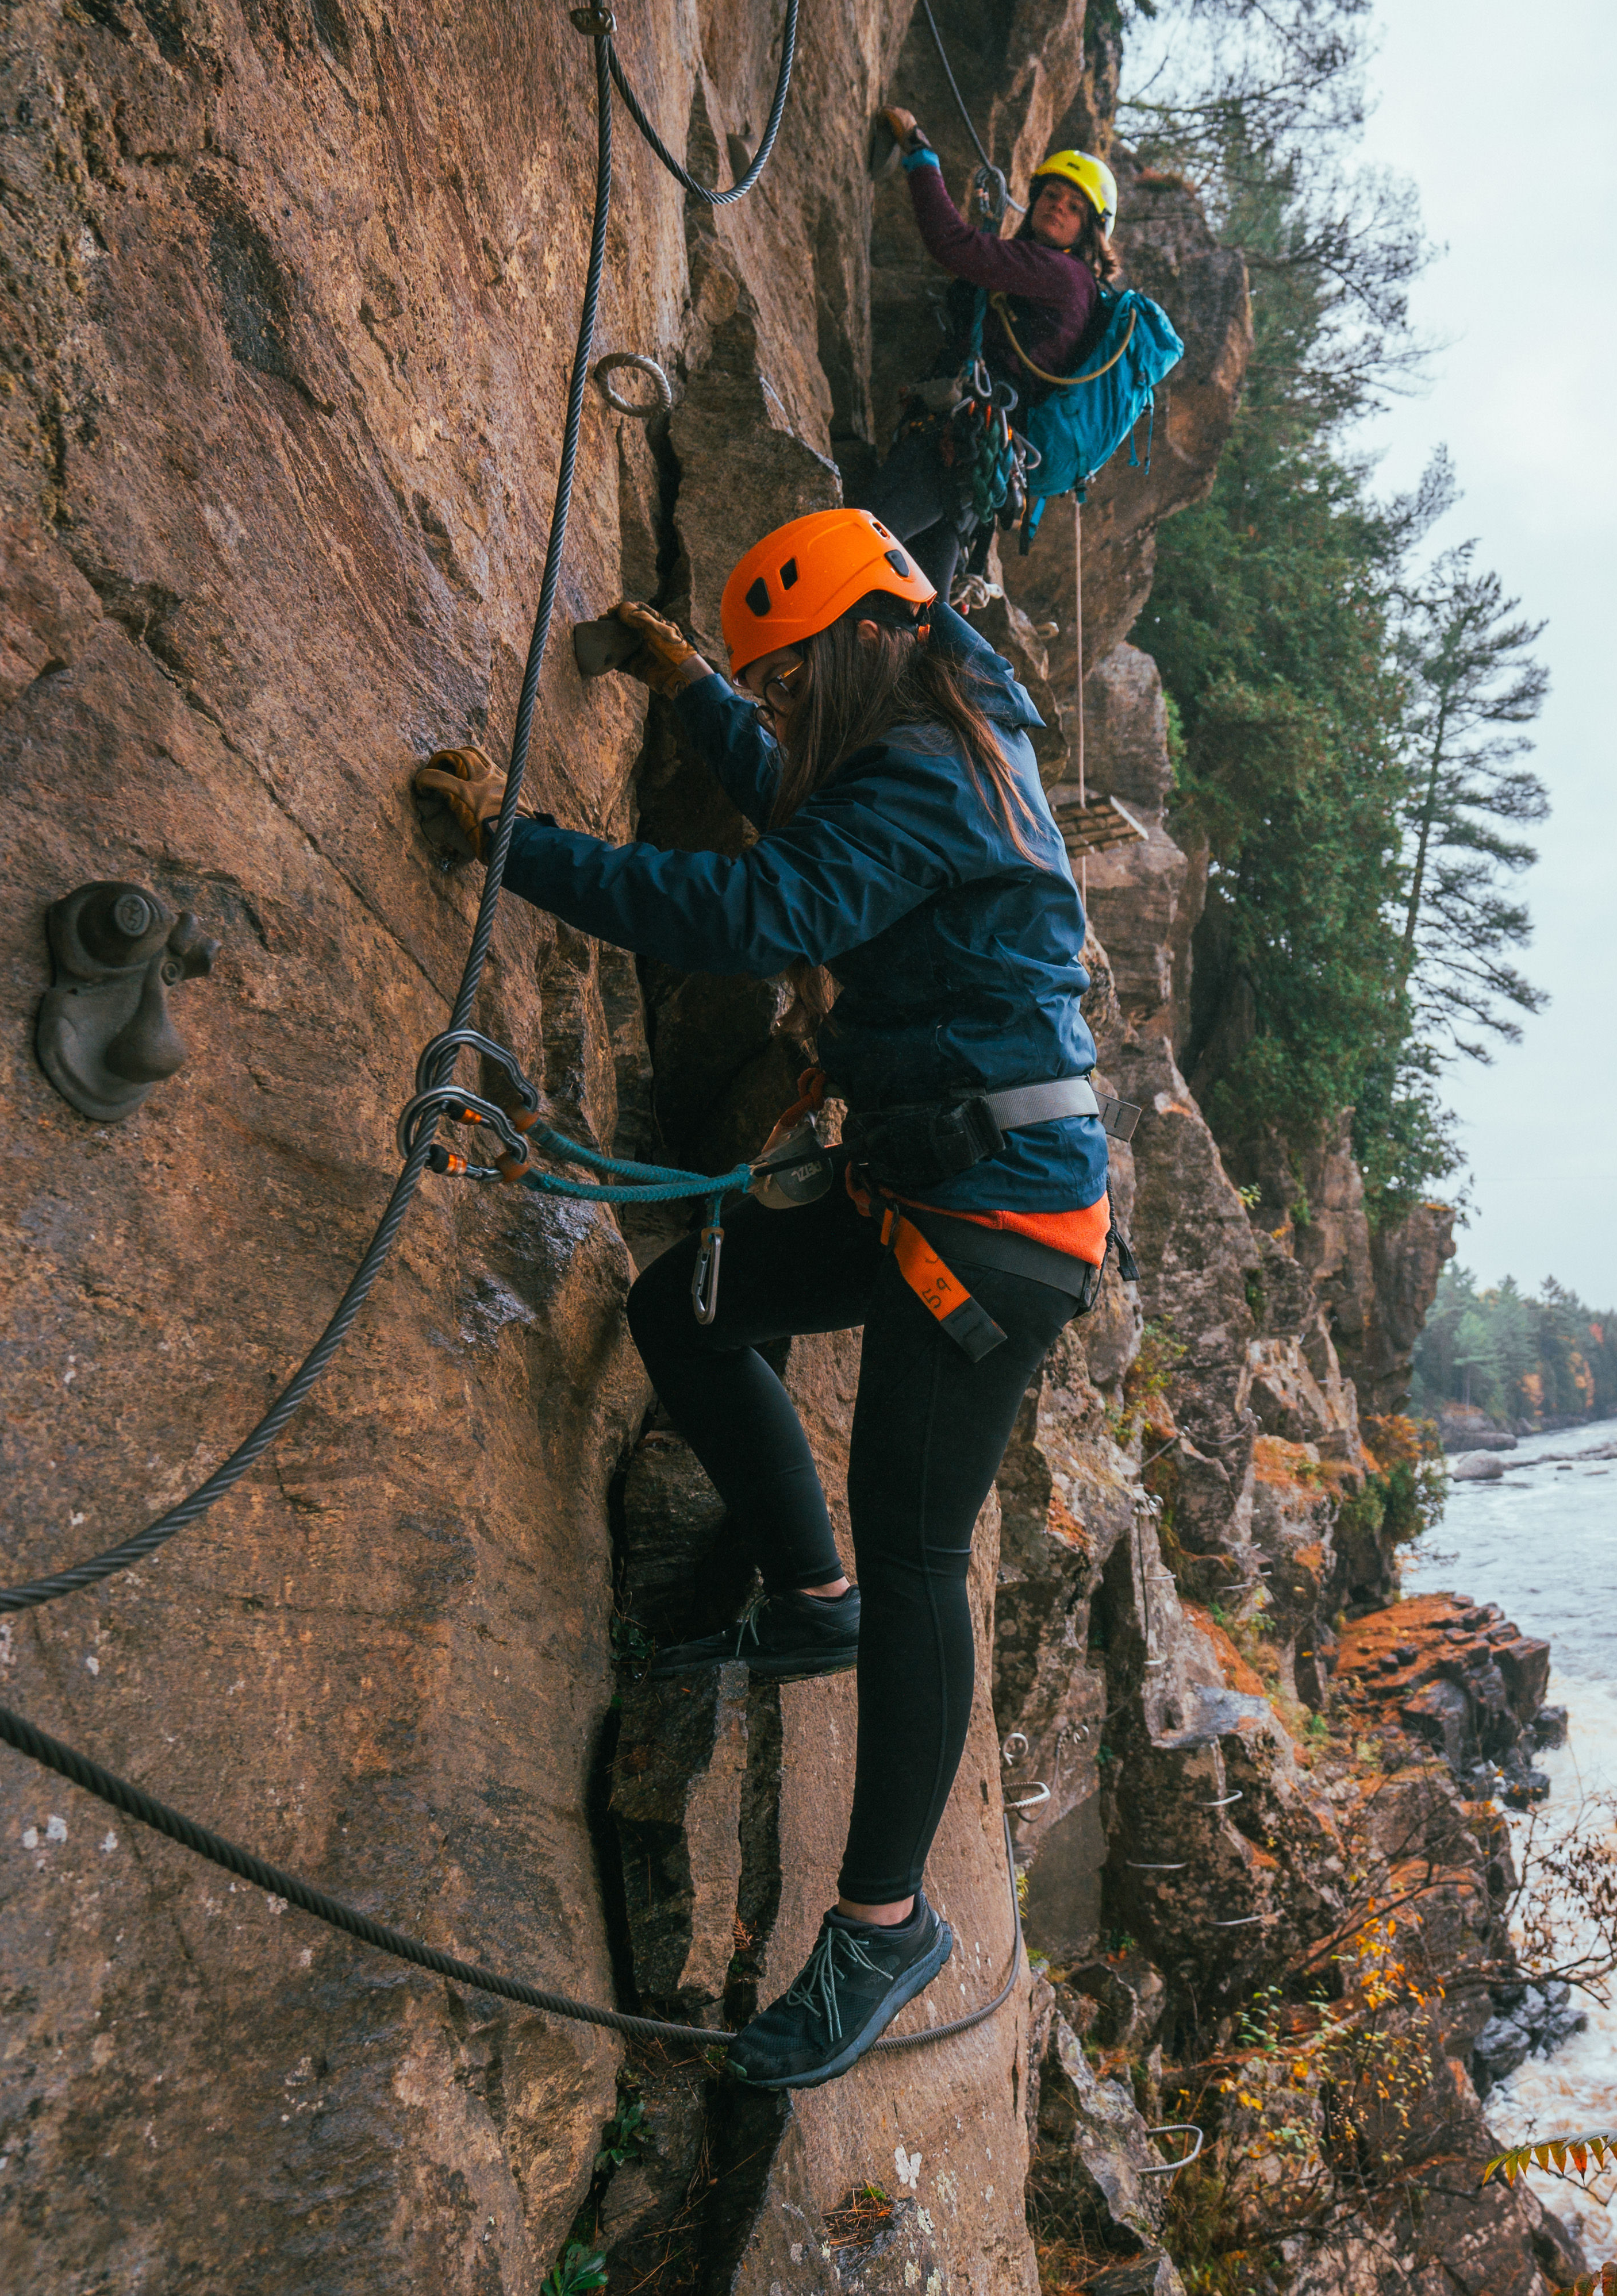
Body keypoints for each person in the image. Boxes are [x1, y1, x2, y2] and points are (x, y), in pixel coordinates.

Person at [409, 509, 1107, 2091]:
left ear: (863, 641)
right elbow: (815, 809)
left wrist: (514, 844)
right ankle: (808, 1601)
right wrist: (696, 692)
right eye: (767, 694)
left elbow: (761, 908)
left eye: (790, 683)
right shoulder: (944, 728)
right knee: (690, 1309)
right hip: (940, 1183)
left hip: (993, 1223)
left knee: (924, 1548)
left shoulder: (931, 764)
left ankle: (882, 1924)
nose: (779, 712)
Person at [861, 114, 1123, 601]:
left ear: (1089, 231)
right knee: (920, 600)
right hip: (979, 456)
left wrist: (920, 153)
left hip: (961, 437)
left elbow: (952, 244)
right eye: (1050, 196)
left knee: (861, 539)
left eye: (1073, 208)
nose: (1056, 209)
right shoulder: (1059, 278)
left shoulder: (1060, 275)